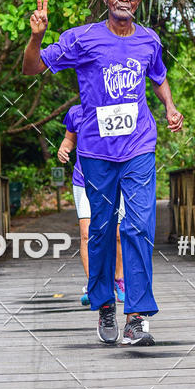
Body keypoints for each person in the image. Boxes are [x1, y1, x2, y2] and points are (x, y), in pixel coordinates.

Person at [23, 0, 183, 346]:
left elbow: (157, 76)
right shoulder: (82, 38)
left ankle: (137, 316)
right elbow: (32, 68)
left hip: (139, 146)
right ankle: (105, 305)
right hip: (96, 152)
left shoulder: (149, 40)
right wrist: (36, 37)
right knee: (100, 230)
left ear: (139, 2)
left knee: (139, 226)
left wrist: (170, 107)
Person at [57, 104, 125, 306]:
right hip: (84, 180)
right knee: (87, 234)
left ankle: (118, 281)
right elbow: (69, 139)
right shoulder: (75, 112)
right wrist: (64, 148)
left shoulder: (116, 109)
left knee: (118, 233)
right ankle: (94, 285)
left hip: (113, 179)